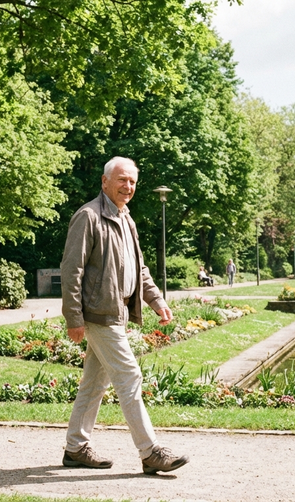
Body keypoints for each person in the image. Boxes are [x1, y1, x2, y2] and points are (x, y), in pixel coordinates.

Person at [60, 156, 189, 475]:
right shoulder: (89, 216)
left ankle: (75, 448)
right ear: (104, 182)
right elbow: (72, 269)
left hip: (116, 312)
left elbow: (138, 267)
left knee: (94, 383)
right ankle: (150, 452)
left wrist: (156, 300)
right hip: (98, 314)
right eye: (121, 179)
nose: (127, 186)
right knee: (130, 376)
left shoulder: (125, 218)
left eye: (132, 181)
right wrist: (74, 317)